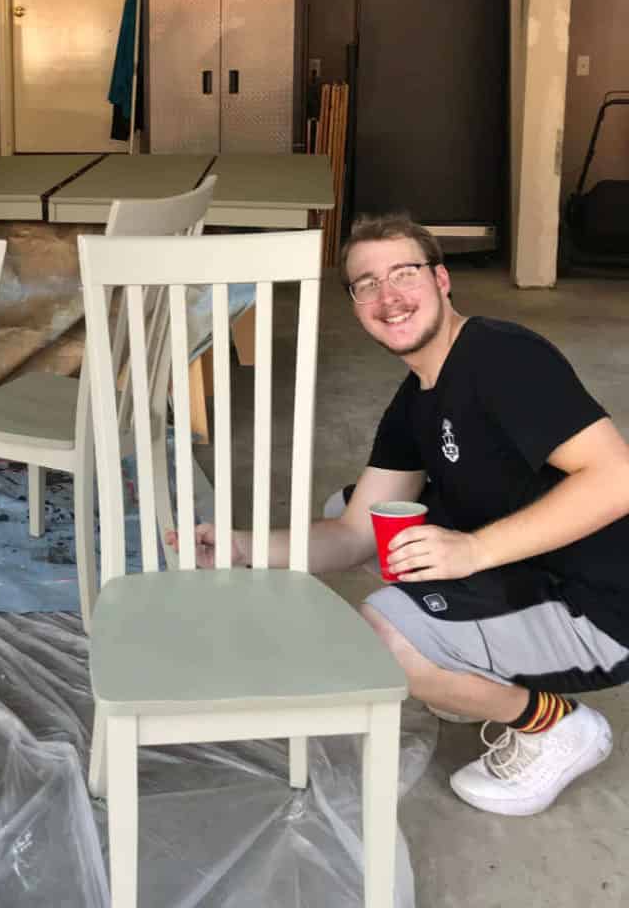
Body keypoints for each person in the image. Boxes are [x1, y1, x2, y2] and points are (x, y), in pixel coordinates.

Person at [173, 213, 629, 817]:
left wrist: (474, 551)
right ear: (355, 305)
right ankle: (465, 660)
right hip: (536, 572)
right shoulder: (416, 398)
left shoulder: (502, 357)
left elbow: (618, 478)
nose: (388, 297)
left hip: (601, 610)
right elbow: (353, 530)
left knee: (382, 639)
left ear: (442, 279)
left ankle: (556, 727)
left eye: (404, 273)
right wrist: (243, 547)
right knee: (368, 510)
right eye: (366, 284)